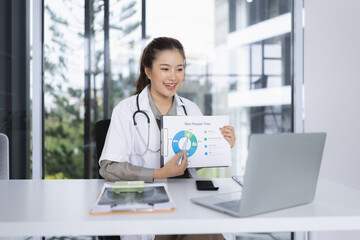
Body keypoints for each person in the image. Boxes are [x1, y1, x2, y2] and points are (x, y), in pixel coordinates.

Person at [99, 37, 236, 240]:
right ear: (148, 71)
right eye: (165, 69)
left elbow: (193, 161)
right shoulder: (126, 111)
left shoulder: (190, 109)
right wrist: (159, 172)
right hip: (148, 203)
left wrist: (223, 145)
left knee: (206, 229)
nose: (173, 77)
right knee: (205, 233)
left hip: (188, 198)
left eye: (179, 69)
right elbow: (108, 168)